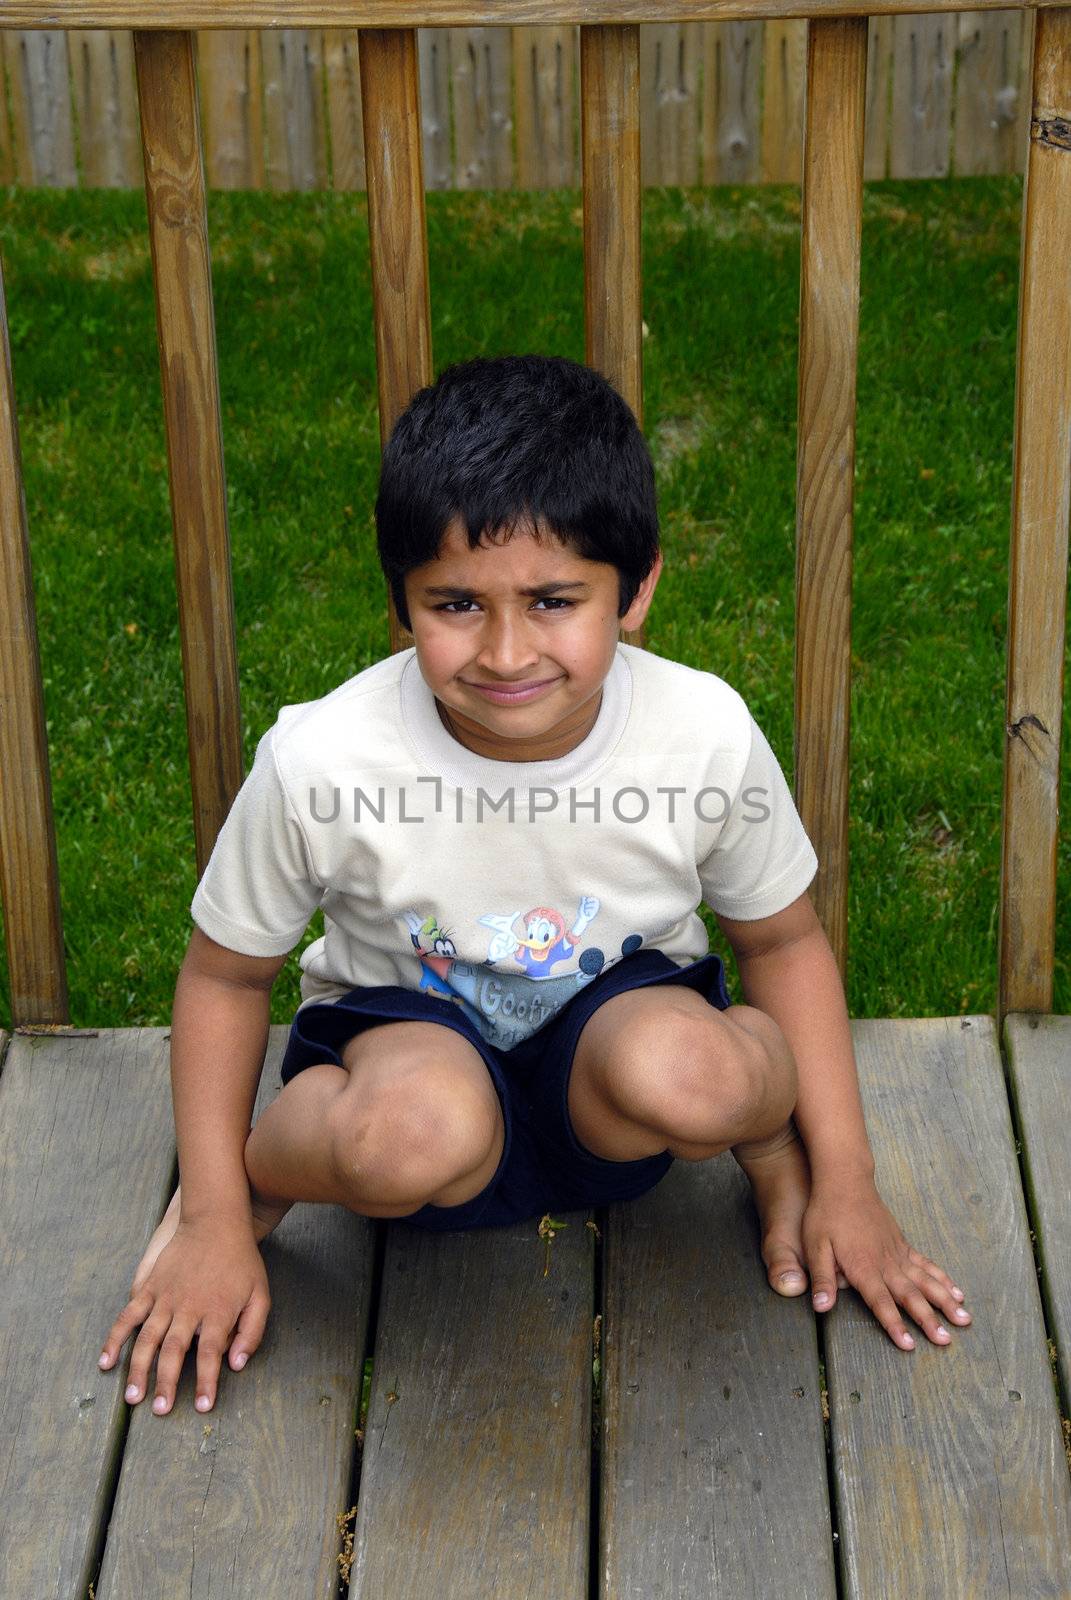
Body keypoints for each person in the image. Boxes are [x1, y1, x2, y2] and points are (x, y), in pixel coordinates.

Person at [98, 354, 971, 1418]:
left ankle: (778, 1150)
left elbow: (780, 944)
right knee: (412, 1128)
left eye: (555, 599)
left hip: (618, 1083)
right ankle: (253, 1185)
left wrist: (851, 1183)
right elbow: (227, 978)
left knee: (696, 1073)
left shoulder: (699, 734)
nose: (506, 651)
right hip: (412, 1074)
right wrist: (213, 1223)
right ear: (400, 598)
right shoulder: (324, 759)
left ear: (637, 588)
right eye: (456, 602)